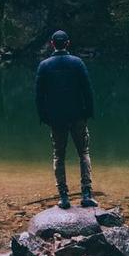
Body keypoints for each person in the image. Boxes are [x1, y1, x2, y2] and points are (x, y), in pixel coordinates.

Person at [34, 30, 97, 209]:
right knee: (83, 153)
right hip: (78, 116)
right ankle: (86, 194)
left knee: (58, 156)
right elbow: (87, 90)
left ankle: (63, 197)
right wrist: (88, 112)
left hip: (56, 119)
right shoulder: (77, 63)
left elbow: (39, 96)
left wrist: (44, 117)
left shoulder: (44, 66)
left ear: (52, 44)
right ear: (67, 43)